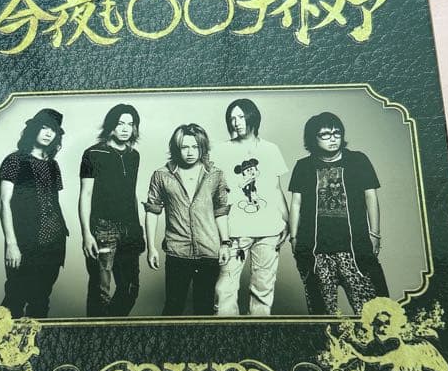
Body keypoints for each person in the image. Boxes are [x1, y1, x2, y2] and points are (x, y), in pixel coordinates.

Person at [288, 111, 387, 315]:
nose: (332, 138)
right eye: (325, 134)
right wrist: (294, 238)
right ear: (313, 138)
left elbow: (371, 197)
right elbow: (296, 204)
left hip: (353, 248)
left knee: (374, 313)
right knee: (323, 315)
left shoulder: (358, 160)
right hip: (316, 251)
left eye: (336, 133)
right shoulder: (303, 166)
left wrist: (375, 234)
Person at [210, 98, 290, 316]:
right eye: (232, 118)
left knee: (263, 290)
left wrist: (288, 222)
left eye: (241, 117)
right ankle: (227, 334)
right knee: (224, 290)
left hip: (269, 231)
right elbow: (213, 192)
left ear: (252, 117)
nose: (236, 122)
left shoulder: (271, 149)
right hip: (234, 231)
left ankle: (257, 332)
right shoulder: (220, 150)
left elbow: (276, 189)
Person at [143, 123, 230, 315]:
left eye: (195, 147)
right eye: (184, 147)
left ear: (202, 147)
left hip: (209, 251)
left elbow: (221, 211)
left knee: (204, 309)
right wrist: (151, 247)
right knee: (173, 308)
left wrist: (225, 243)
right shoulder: (161, 175)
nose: (190, 152)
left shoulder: (215, 175)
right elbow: (152, 211)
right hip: (177, 251)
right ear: (176, 148)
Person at [0, 108, 69, 318]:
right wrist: (11, 244)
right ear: (34, 129)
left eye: (53, 130)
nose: (48, 133)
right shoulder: (14, 160)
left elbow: (53, 201)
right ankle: (3, 340)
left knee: (41, 300)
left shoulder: (53, 165)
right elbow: (3, 203)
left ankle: (36, 339)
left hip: (54, 243)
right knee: (15, 299)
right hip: (25, 240)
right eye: (44, 127)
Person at [78, 103, 145, 316]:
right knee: (101, 292)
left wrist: (138, 229)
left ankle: (110, 328)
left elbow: (131, 193)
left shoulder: (134, 156)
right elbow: (85, 195)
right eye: (120, 123)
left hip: (130, 229)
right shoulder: (92, 153)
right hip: (102, 229)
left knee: (130, 289)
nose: (125, 128)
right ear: (111, 126)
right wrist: (86, 234)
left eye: (130, 124)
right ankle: (97, 333)